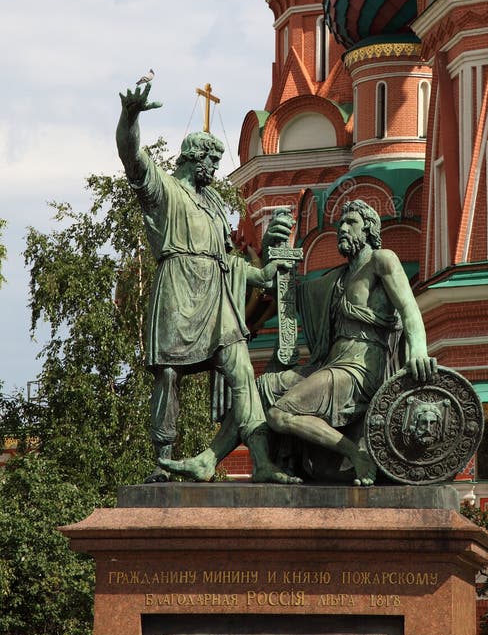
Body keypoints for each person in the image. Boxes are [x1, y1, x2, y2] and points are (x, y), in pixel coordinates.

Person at [160, 199, 436, 486]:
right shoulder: (337, 278)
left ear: (368, 229)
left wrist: (418, 350)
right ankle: (209, 459)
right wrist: (270, 249)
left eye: (350, 223)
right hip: (330, 364)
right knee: (259, 388)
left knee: (280, 413)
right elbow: (286, 292)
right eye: (340, 223)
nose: (342, 228)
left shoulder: (382, 260)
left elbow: (409, 310)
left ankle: (357, 455)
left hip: (360, 371)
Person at [116, 83, 299, 484]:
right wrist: (130, 116)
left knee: (242, 377)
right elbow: (133, 158)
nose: (215, 169)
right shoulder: (165, 192)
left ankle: (263, 462)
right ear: (193, 157)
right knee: (167, 375)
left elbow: (228, 264)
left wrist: (263, 269)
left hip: (217, 300)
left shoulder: (215, 205)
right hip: (178, 292)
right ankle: (162, 461)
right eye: (211, 161)